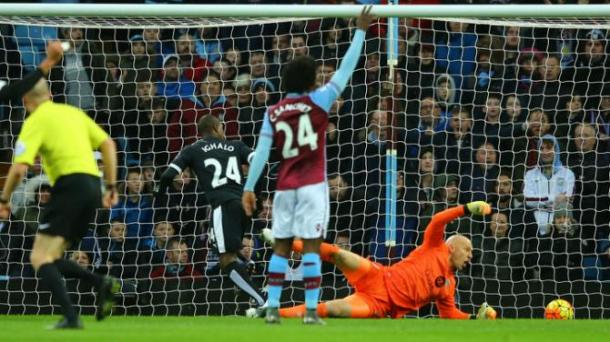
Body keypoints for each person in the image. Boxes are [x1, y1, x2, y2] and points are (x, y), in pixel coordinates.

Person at [241, 6, 374, 325]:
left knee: (282, 247)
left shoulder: (272, 111)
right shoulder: (320, 100)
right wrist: (360, 31)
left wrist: (249, 188)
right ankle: (311, 312)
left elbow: (260, 153)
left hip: (285, 186)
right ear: (311, 80)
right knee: (311, 247)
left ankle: (272, 307)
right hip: (313, 185)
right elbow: (345, 70)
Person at [0, 70, 119, 328]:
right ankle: (101, 283)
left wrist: (4, 199)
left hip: (68, 187)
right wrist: (110, 186)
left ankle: (72, 317)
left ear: (24, 101)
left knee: (39, 258)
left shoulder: (34, 121)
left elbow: (19, 168)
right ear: (51, 95)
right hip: (92, 187)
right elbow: (108, 144)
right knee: (50, 257)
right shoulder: (72, 112)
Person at [248, 202, 496, 320]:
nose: (470, 255)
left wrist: (475, 319)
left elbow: (449, 314)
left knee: (332, 309)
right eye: (468, 249)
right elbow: (437, 220)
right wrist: (465, 209)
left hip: (379, 304)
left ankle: (267, 313)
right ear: (453, 246)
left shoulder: (449, 286)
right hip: (380, 275)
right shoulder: (435, 245)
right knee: (339, 254)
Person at [156, 114, 265, 309]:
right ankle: (252, 280)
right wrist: (256, 191)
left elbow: (167, 175)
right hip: (243, 205)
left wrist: (159, 197)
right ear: (216, 128)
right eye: (222, 127)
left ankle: (258, 298)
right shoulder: (236, 146)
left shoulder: (193, 149)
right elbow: (259, 161)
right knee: (223, 247)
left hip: (222, 206)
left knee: (225, 260)